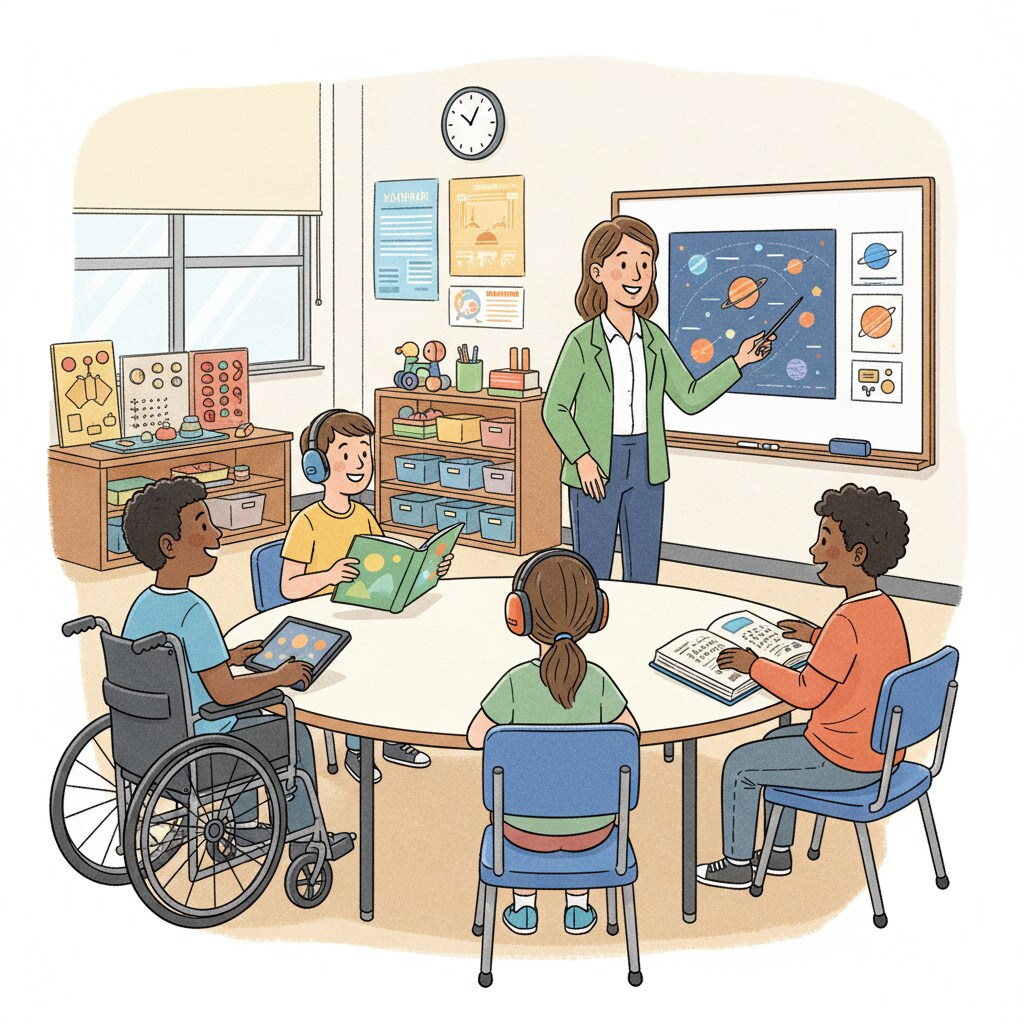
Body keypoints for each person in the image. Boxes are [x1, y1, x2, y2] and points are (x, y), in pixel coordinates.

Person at [697, 483, 911, 889]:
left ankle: (739, 863)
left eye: (825, 540)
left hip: (846, 760)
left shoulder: (846, 621)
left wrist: (753, 664)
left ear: (858, 554)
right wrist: (817, 636)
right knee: (777, 740)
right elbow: (861, 656)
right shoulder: (883, 609)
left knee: (741, 764)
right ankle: (777, 854)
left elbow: (805, 692)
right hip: (878, 751)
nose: (814, 551)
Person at [120, 476, 349, 852]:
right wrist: (280, 676)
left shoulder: (144, 606)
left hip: (151, 739)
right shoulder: (193, 612)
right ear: (169, 545)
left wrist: (230, 656)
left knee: (245, 722)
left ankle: (241, 824)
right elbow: (225, 693)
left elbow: (179, 667)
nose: (218, 533)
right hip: (200, 743)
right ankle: (305, 840)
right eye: (203, 526)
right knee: (292, 731)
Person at [542, 215, 775, 584]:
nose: (636, 274)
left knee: (645, 570)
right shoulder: (581, 341)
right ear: (598, 272)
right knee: (592, 568)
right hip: (596, 466)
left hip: (647, 465)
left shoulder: (654, 339)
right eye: (623, 263)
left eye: (645, 263)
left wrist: (739, 361)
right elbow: (553, 408)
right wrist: (581, 458)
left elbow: (690, 397)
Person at [466, 550, 639, 936]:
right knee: (573, 816)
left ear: (519, 616)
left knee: (526, 826)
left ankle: (523, 906)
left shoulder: (513, 683)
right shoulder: (598, 683)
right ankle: (578, 906)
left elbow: (477, 737)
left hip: (520, 832)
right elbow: (630, 737)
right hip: (594, 833)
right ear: (596, 614)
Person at [280, 408, 452, 784]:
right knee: (368, 661)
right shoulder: (306, 522)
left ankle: (391, 736)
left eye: (365, 454)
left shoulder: (364, 516)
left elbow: (387, 562)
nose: (359, 464)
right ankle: (359, 749)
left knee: (409, 646)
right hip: (323, 621)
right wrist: (327, 575)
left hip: (363, 613)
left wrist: (426, 569)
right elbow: (288, 587)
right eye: (346, 454)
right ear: (317, 466)